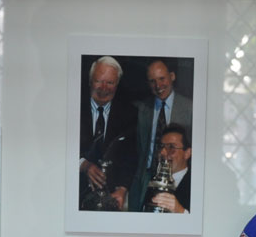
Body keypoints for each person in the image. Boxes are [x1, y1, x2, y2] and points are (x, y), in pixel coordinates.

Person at [129, 59, 193, 211]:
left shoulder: (190, 108)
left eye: (162, 79)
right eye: (152, 81)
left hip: (175, 177)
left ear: (172, 76)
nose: (158, 86)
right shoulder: (142, 109)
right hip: (145, 178)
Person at [79, 56, 137, 211]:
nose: (104, 88)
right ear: (90, 81)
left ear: (117, 85)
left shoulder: (129, 113)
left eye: (110, 82)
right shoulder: (72, 105)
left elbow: (131, 155)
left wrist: (123, 188)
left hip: (111, 195)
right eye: (99, 81)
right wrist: (83, 164)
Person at [146, 124, 192, 213]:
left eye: (171, 147)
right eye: (161, 147)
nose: (162, 152)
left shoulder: (197, 185)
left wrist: (180, 211)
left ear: (187, 153)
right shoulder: (150, 182)